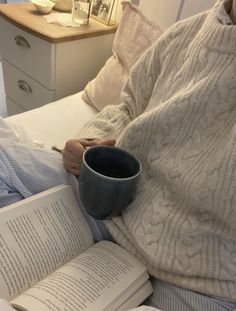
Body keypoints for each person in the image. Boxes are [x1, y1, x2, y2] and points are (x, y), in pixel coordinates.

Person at [0, 0, 236, 310]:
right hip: (114, 208)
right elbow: (128, 107)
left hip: (200, 280)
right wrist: (88, 144)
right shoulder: (185, 35)